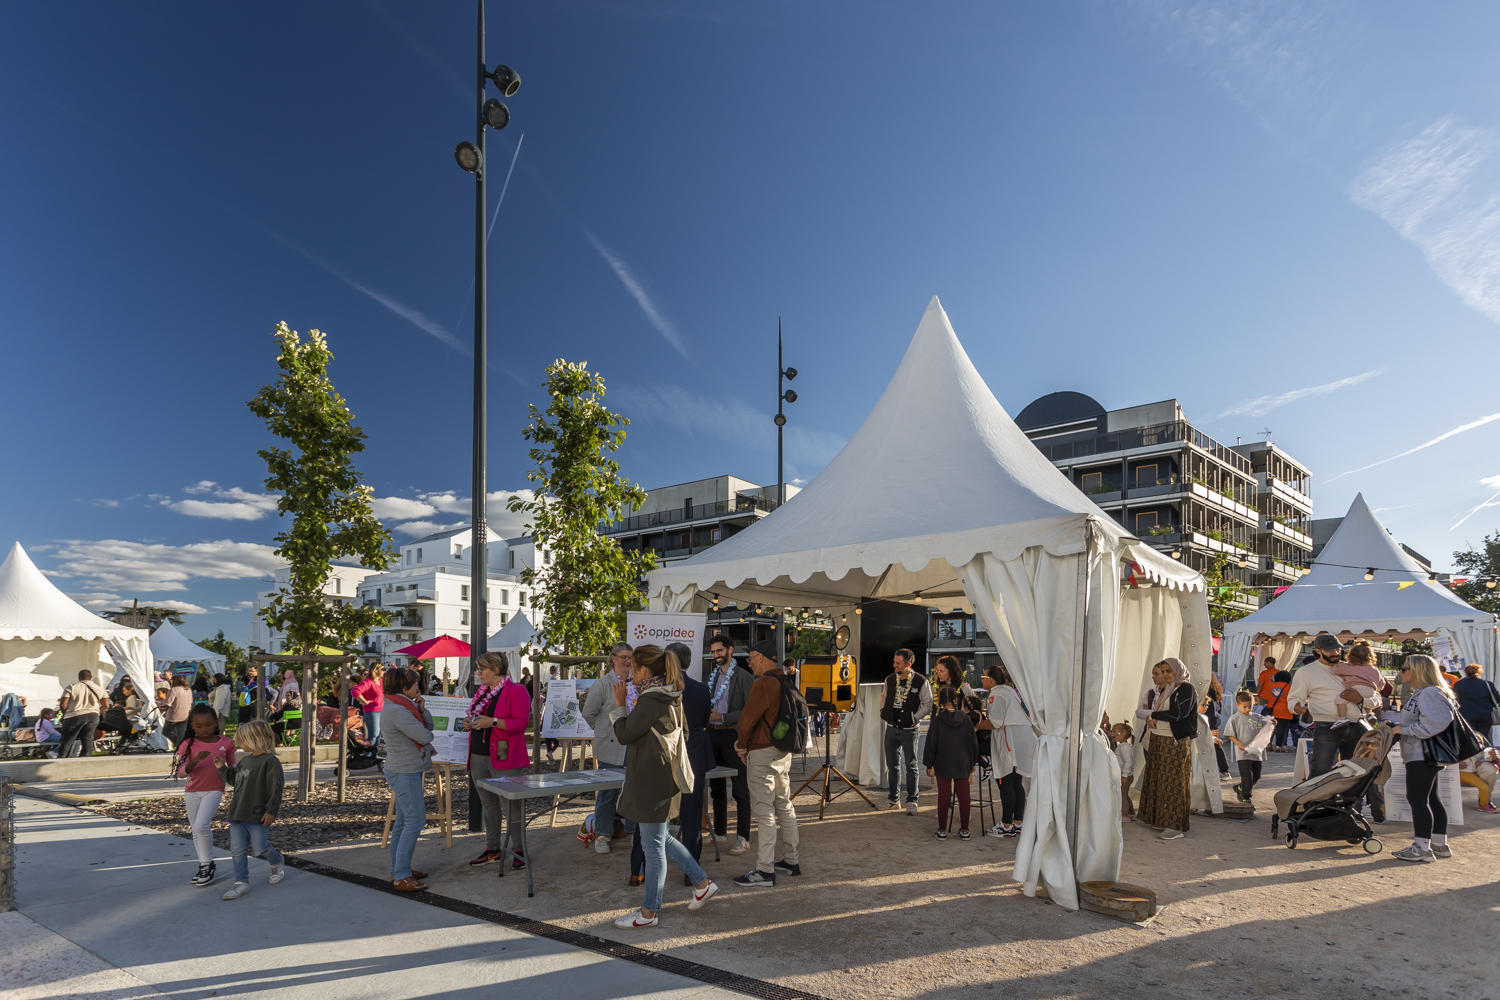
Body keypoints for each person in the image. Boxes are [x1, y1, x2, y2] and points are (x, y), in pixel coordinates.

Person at [608, 645, 719, 928]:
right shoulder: (668, 694)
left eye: (633, 667)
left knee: (653, 846)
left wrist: (620, 704)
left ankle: (649, 912)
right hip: (660, 779)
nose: (630, 671)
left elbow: (624, 733)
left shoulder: (652, 699)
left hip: (651, 782)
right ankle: (702, 883)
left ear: (644, 670)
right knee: (660, 839)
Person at [1289, 633, 1385, 820]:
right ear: (1317, 651)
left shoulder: (1358, 667)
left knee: (1358, 772)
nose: (1336, 652)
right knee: (1320, 771)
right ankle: (1312, 813)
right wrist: (1297, 707)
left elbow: (1377, 697)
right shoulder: (1306, 672)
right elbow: (1294, 698)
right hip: (1326, 726)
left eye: (1338, 648)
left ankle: (1352, 815)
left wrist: (1362, 699)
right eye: (1330, 650)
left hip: (1358, 724)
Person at [733, 640, 801, 888]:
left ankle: (764, 870)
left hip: (762, 752)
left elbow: (746, 720)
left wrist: (741, 745)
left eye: (751, 657)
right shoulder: (786, 680)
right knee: (784, 805)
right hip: (783, 751)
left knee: (764, 811)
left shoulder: (762, 683)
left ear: (762, 657)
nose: (749, 662)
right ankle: (791, 861)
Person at [462, 652, 531, 871]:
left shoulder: (517, 690)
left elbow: (521, 723)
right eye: (478, 669)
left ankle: (519, 849)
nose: (478, 673)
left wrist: (491, 722)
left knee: (511, 804)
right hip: (478, 754)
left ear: (496, 670)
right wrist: (469, 722)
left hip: (505, 755)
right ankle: (493, 848)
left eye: (482, 669)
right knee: (488, 804)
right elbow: (478, 717)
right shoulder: (482, 693)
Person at [1391, 655, 1459, 862]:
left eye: (1404, 669)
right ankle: (1439, 844)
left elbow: (1438, 723)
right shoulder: (1424, 692)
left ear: (1417, 671)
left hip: (1423, 753)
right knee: (1431, 798)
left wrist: (1404, 730)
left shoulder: (1429, 692)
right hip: (1423, 752)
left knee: (1417, 798)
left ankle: (1422, 847)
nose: (1400, 672)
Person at [216, 719, 285, 899]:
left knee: (260, 848)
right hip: (238, 813)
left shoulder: (270, 761)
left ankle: (277, 861)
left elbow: (276, 788)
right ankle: (241, 882)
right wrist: (222, 768)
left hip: (258, 815)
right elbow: (236, 781)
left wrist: (271, 810)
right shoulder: (245, 760)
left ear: (256, 740)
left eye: (243, 740)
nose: (240, 744)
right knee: (237, 849)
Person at [380, 665, 435, 890]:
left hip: (403, 769)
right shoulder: (399, 711)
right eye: (415, 685)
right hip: (405, 771)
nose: (419, 688)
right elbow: (425, 735)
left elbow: (425, 730)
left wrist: (422, 710)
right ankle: (401, 876)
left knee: (403, 823)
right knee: (414, 821)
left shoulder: (400, 706)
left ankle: (399, 869)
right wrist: (421, 716)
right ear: (405, 688)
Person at [1135, 658, 1197, 840]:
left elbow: (1179, 714)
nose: (1166, 674)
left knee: (1173, 784)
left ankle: (1175, 827)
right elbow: (1144, 712)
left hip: (1174, 742)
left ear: (1178, 670)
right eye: (1163, 671)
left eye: (1168, 671)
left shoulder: (1186, 688)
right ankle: (1161, 819)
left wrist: (1152, 714)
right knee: (1159, 782)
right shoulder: (1167, 690)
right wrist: (1150, 715)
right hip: (1158, 739)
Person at [174, 703, 236, 886]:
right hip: (192, 791)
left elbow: (233, 767)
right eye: (198, 726)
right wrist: (196, 760)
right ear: (191, 726)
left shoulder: (227, 743)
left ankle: (208, 864)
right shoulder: (188, 744)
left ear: (215, 722)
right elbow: (181, 772)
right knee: (195, 830)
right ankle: (203, 865)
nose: (204, 729)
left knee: (202, 825)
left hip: (214, 789)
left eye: (208, 724)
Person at [705, 634, 755, 855]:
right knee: (716, 788)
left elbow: (750, 710)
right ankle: (720, 833)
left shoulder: (744, 677)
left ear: (730, 650)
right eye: (713, 652)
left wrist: (724, 718)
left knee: (740, 789)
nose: (716, 655)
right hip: (712, 735)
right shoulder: (713, 676)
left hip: (733, 735)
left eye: (719, 651)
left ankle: (743, 838)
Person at [582, 643, 633, 855]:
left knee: (632, 792)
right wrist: (603, 731)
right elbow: (588, 713)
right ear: (612, 659)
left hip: (633, 746)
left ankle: (633, 831)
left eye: (630, 657)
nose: (627, 661)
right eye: (623, 657)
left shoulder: (637, 682)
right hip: (609, 747)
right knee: (607, 793)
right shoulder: (602, 684)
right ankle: (602, 834)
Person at [668, 641, 715, 869]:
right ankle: (691, 870)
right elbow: (705, 721)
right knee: (692, 814)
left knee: (652, 815)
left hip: (664, 758)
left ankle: (641, 871)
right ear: (688, 662)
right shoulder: (700, 689)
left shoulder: (655, 688)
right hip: (694, 755)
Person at [978, 665, 1032, 837]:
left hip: (1009, 739)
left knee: (1005, 782)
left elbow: (995, 722)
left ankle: (1006, 826)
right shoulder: (1010, 691)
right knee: (1016, 782)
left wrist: (974, 726)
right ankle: (1018, 822)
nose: (982, 680)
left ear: (991, 679)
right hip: (1022, 738)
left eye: (983, 677)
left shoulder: (996, 693)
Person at [880, 648, 932, 815]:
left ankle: (912, 801)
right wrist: (883, 712)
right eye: (894, 662)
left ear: (908, 664)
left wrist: (915, 718)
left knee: (911, 766)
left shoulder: (920, 681)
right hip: (891, 729)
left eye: (898, 663)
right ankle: (893, 799)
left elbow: (928, 704)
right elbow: (884, 697)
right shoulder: (889, 679)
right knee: (892, 765)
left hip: (910, 730)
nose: (894, 665)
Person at [923, 686, 978, 840]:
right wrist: (972, 761)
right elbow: (972, 742)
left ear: (939, 700)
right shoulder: (966, 719)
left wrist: (929, 764)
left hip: (943, 761)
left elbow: (931, 744)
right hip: (963, 761)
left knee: (944, 796)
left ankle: (942, 830)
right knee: (964, 796)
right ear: (956, 699)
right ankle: (965, 830)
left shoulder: (937, 720)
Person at [1222, 690, 1269, 802]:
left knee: (1256, 776)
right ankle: (1245, 797)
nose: (1248, 709)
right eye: (1245, 707)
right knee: (1247, 776)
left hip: (1256, 752)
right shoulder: (1235, 718)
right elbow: (1230, 734)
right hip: (1243, 753)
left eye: (1250, 706)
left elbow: (1265, 730)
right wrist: (1239, 744)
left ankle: (1240, 788)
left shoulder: (1257, 717)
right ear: (1237, 705)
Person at [56, 669, 109, 759]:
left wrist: (66, 714)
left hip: (74, 715)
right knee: (88, 739)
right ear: (91, 677)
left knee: (67, 740)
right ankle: (85, 760)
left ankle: (62, 759)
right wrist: (98, 712)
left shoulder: (71, 687)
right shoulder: (100, 689)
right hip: (93, 715)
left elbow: (63, 704)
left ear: (79, 677)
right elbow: (106, 706)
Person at [1330, 640, 1383, 728]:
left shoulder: (1348, 666)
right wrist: (1375, 689)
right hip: (1371, 691)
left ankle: (1342, 719)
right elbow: (1382, 683)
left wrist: (1339, 664)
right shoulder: (1374, 669)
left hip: (1357, 688)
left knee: (1340, 700)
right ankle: (1370, 714)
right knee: (1365, 700)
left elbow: (1336, 670)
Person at [1453, 664, 1500, 738]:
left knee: (1470, 740)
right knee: (1485, 739)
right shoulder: (1488, 684)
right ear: (1480, 672)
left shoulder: (1459, 684)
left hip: (1466, 715)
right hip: (1486, 715)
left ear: (1466, 673)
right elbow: (1497, 699)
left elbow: (1455, 700)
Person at [352, 664, 386, 750]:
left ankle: (373, 758)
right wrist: (365, 702)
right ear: (375, 670)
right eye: (383, 669)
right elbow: (355, 691)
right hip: (372, 712)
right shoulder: (368, 682)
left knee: (378, 737)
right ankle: (367, 756)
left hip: (382, 711)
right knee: (373, 736)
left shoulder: (381, 681)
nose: (384, 671)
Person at [1203, 676, 1230, 778]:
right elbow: (1218, 711)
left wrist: (1211, 727)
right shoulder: (1215, 693)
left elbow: (1212, 712)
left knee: (1215, 746)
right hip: (1213, 723)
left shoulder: (1207, 694)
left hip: (1209, 724)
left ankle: (1224, 771)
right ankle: (1223, 770)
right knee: (1214, 746)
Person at [1109, 723, 1135, 820]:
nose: (1113, 734)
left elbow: (1128, 762)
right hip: (1127, 776)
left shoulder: (1124, 748)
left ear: (1124, 733)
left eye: (1115, 731)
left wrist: (1124, 775)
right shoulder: (1123, 746)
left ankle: (1124, 816)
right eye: (1112, 731)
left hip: (1125, 777)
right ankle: (1131, 813)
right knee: (1125, 795)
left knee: (1122, 797)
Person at [1265, 669, 1296, 751]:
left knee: (1270, 728)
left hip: (1270, 709)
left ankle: (1268, 744)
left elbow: (1265, 697)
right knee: (1281, 728)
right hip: (1284, 710)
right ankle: (1278, 746)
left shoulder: (1270, 686)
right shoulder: (1289, 687)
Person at [162, 675, 194, 747]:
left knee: (166, 731)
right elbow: (191, 700)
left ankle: (178, 744)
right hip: (185, 713)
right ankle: (180, 746)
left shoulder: (174, 689)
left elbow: (168, 702)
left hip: (174, 714)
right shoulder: (188, 689)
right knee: (181, 733)